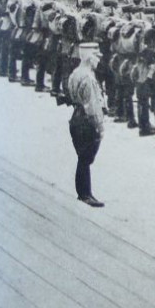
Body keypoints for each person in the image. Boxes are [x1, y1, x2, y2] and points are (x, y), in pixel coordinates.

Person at [66, 41, 106, 208]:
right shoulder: (88, 78)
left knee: (82, 158)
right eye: (96, 56)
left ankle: (83, 192)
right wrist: (99, 126)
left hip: (76, 116)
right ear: (89, 58)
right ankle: (85, 194)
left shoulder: (75, 73)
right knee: (85, 158)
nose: (98, 60)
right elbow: (92, 106)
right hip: (86, 120)